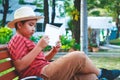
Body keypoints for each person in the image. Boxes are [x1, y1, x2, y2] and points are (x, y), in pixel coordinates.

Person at [7, 6, 120, 80]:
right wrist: (39, 46)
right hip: (39, 75)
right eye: (30, 25)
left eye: (34, 26)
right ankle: (104, 74)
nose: (34, 29)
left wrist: (53, 51)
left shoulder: (27, 40)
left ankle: (100, 75)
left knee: (89, 77)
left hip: (44, 69)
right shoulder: (17, 39)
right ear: (19, 25)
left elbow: (41, 61)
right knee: (78, 55)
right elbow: (20, 66)